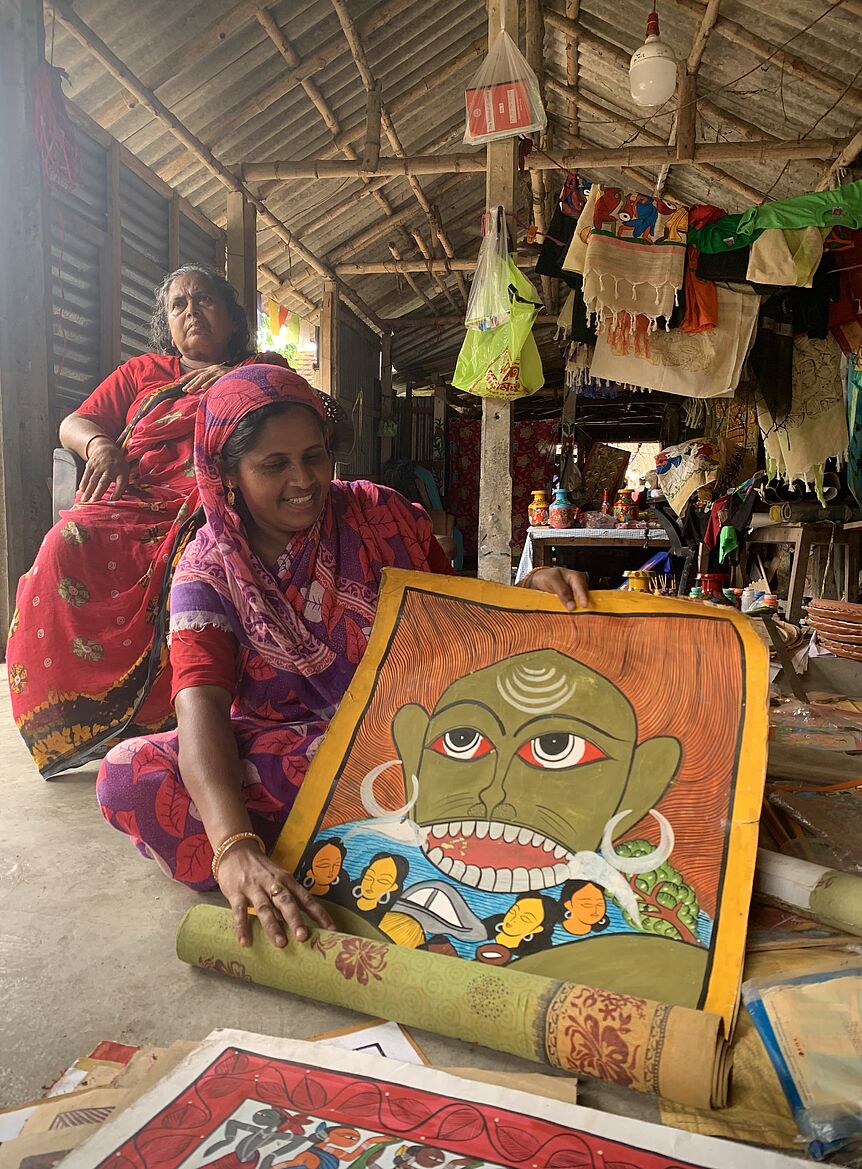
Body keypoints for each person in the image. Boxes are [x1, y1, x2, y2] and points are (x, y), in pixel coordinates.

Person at [96, 364, 590, 950]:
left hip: (410, 740)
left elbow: (455, 622)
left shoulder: (382, 516)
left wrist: (524, 593)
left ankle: (341, 854)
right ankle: (346, 855)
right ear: (228, 473)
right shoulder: (208, 570)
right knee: (130, 775)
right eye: (273, 465)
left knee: (534, 744)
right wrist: (233, 846)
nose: (303, 480)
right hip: (291, 754)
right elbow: (198, 706)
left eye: (314, 456)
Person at [6, 265, 290, 777]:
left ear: (230, 316)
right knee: (65, 541)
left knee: (199, 557)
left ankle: (190, 717)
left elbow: (317, 418)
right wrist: (99, 446)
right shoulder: (142, 373)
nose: (190, 311)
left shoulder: (262, 367)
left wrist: (240, 380)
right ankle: (80, 721)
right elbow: (73, 422)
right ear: (166, 322)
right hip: (136, 496)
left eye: (203, 299)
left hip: (211, 498)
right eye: (177, 305)